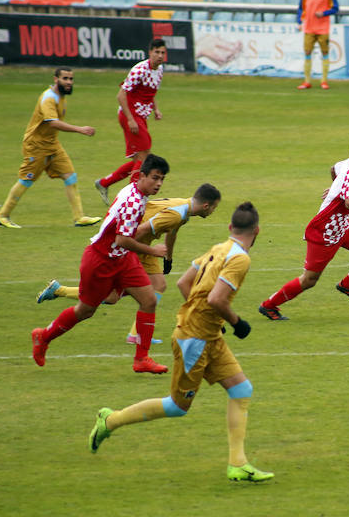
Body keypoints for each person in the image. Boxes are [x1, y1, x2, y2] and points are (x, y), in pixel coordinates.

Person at [88, 202, 274, 483]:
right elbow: (216, 299)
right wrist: (237, 323)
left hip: (207, 334)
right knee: (177, 406)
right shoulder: (240, 259)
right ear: (257, 230)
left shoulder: (219, 248)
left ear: (230, 228)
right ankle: (110, 420)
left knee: (241, 389)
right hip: (194, 339)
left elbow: (183, 284)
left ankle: (237, 464)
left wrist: (207, 321)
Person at [31, 154, 172, 374]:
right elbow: (122, 239)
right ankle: (43, 336)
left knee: (149, 300)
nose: (159, 184)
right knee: (85, 311)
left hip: (122, 258)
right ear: (142, 175)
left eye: (162, 179)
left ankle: (142, 359)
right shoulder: (134, 201)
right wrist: (153, 250)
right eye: (155, 178)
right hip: (101, 261)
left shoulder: (136, 190)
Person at [36, 184, 222, 346]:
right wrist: (128, 253)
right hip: (134, 245)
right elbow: (140, 230)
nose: (213, 212)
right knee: (111, 297)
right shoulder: (176, 214)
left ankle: (135, 334)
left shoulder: (184, 208)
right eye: (214, 208)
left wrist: (169, 258)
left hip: (144, 246)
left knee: (158, 285)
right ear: (206, 206)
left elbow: (171, 233)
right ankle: (59, 291)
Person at [259, 134, 349, 321]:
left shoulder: (347, 163)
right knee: (309, 280)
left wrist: (334, 187)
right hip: (324, 231)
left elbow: (334, 169)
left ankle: (347, 284)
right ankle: (269, 306)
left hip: (341, 226)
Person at [0, 67, 103, 229]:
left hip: (52, 144)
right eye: (65, 79)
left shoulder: (61, 97)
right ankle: (3, 215)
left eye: (71, 79)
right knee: (27, 179)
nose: (69, 82)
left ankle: (79, 217)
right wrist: (80, 129)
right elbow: (52, 122)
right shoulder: (49, 98)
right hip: (36, 146)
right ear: (55, 79)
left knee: (70, 176)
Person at [95, 38, 167, 205]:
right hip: (131, 116)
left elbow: (150, 92)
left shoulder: (160, 70)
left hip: (141, 117)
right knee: (144, 158)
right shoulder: (139, 70)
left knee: (139, 160)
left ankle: (104, 183)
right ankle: (131, 198)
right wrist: (130, 119)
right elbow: (121, 95)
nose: (160, 56)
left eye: (162, 53)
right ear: (150, 53)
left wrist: (155, 109)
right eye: (156, 52)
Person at [296, 0, 339, 90]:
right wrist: (299, 21)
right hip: (309, 27)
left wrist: (324, 13)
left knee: (325, 53)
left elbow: (335, 8)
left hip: (322, 28)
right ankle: (307, 81)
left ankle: (324, 81)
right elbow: (301, 7)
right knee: (307, 53)